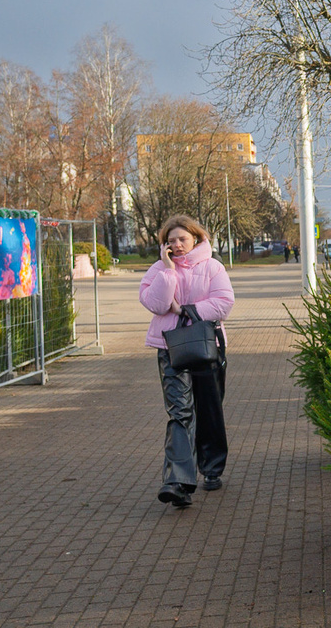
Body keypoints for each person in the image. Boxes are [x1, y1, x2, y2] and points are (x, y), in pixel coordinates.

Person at [139, 214, 235, 508]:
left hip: (207, 347)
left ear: (196, 238)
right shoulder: (158, 269)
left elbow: (223, 302)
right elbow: (154, 304)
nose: (177, 245)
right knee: (180, 412)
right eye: (170, 241)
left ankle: (212, 467)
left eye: (182, 239)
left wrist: (185, 310)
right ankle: (178, 482)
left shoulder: (212, 266)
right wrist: (168, 271)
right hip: (170, 349)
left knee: (208, 407)